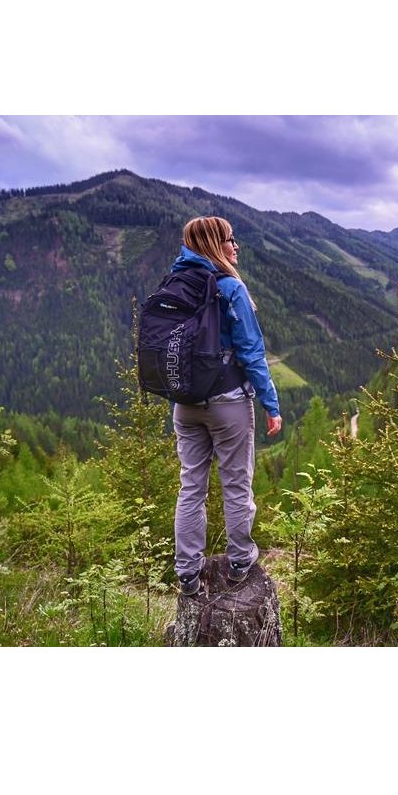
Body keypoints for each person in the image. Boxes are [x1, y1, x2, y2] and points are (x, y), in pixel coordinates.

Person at [170, 216, 283, 597]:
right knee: (235, 484)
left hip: (185, 403)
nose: (236, 246)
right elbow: (251, 351)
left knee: (191, 487)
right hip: (229, 402)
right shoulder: (230, 287)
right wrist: (271, 404)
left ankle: (187, 572)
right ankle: (240, 561)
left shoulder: (175, 283)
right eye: (230, 239)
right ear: (215, 244)